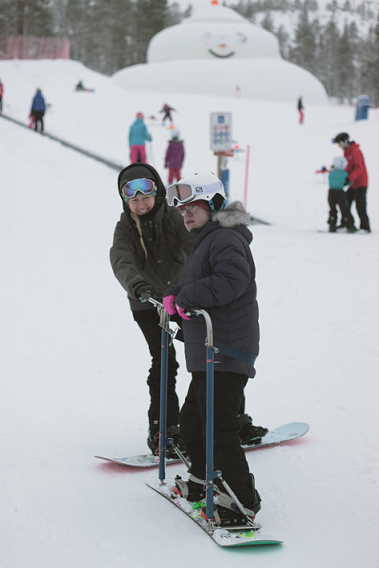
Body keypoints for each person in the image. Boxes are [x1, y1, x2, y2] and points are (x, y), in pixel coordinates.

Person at [163, 172, 264, 526]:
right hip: (209, 350)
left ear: (214, 205)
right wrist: (177, 293)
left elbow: (231, 281)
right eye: (182, 209)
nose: (186, 215)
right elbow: (202, 282)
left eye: (193, 207)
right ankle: (204, 478)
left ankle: (242, 500)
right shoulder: (207, 241)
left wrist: (186, 296)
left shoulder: (224, 238)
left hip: (226, 348)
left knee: (218, 426)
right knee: (193, 419)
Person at [110, 163, 193, 456]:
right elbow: (121, 260)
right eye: (134, 200)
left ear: (156, 192)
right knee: (164, 360)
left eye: (145, 197)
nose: (141, 204)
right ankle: (163, 429)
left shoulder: (173, 216)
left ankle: (226, 420)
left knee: (212, 353)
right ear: (126, 201)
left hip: (181, 296)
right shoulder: (125, 227)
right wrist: (139, 286)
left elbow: (195, 243)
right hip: (147, 302)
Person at [332, 132, 371, 232]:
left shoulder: (355, 151)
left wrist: (350, 178)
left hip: (361, 183)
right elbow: (349, 167)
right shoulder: (347, 152)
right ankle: (346, 224)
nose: (339, 146)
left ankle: (365, 227)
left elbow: (359, 168)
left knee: (360, 205)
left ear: (344, 142)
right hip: (353, 184)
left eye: (339, 144)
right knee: (345, 203)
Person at [327, 157, 356, 233]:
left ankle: (332, 224)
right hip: (340, 193)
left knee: (332, 209)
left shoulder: (331, 173)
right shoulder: (344, 174)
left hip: (331, 192)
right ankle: (350, 225)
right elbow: (349, 182)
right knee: (344, 209)